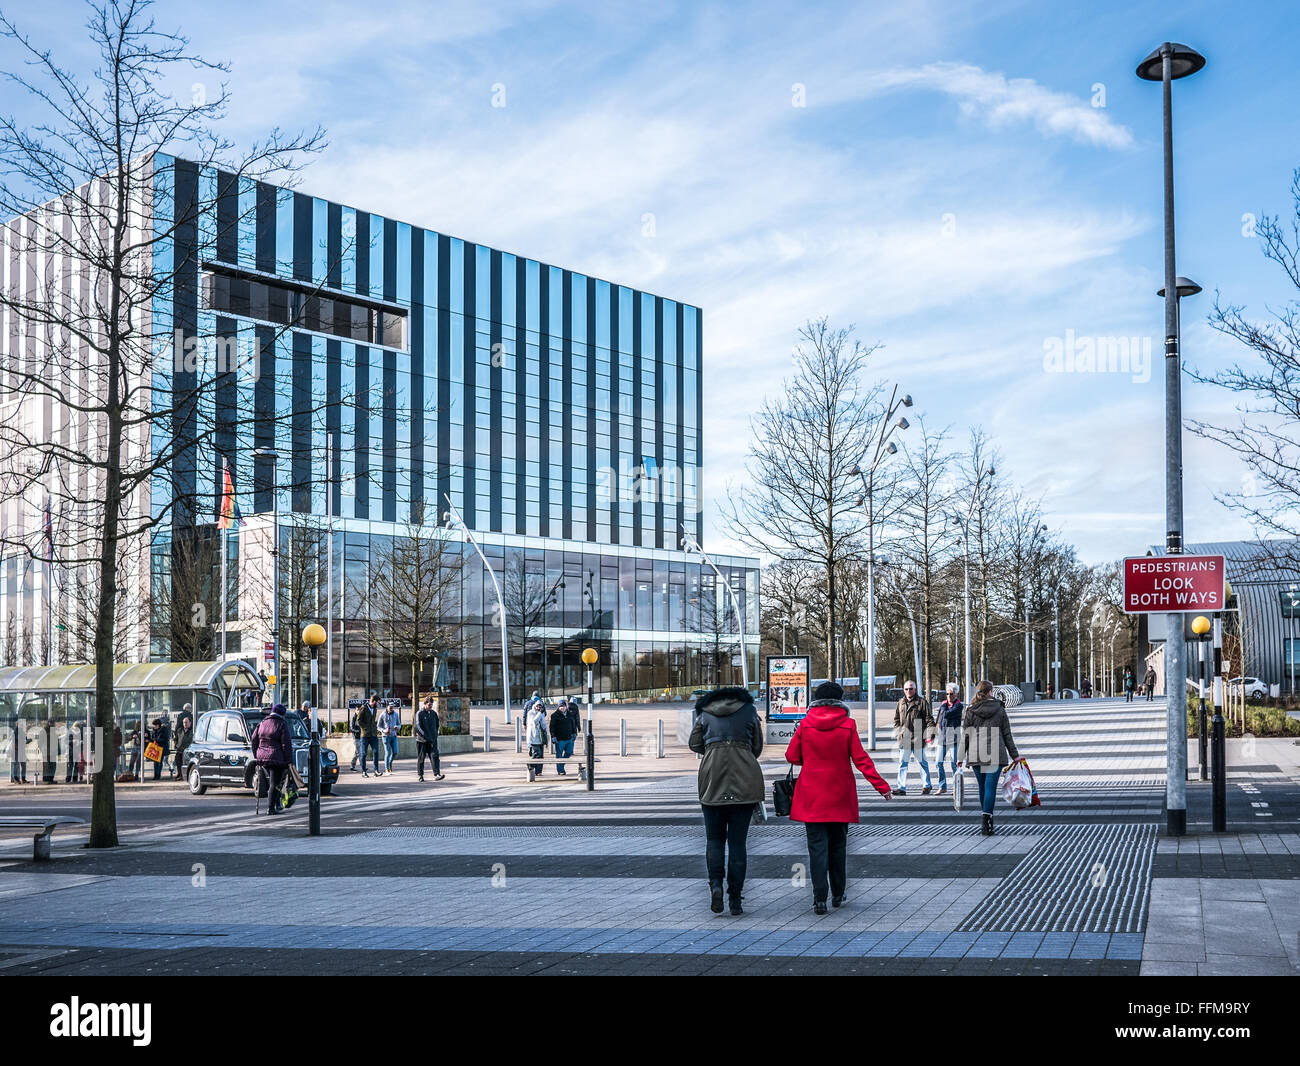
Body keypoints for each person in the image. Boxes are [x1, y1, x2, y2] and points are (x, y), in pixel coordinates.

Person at [785, 681, 891, 914]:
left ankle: (819, 898)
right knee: (838, 846)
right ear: (840, 701)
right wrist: (881, 786)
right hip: (839, 794)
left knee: (816, 848)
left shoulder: (805, 724)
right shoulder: (848, 724)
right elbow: (861, 759)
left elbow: (791, 756)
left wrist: (811, 760)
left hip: (811, 795)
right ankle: (838, 893)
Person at [688, 685, 764, 916]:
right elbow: (757, 746)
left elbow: (694, 744)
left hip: (712, 780)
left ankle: (715, 886)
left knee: (714, 840)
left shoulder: (705, 712)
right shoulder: (749, 710)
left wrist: (713, 749)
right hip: (745, 780)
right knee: (738, 843)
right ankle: (735, 898)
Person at [958, 680, 1020, 837]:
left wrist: (960, 756)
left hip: (976, 753)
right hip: (994, 753)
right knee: (990, 788)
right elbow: (1007, 735)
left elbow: (965, 735)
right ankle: (987, 821)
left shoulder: (971, 710)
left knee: (983, 788)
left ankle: (985, 818)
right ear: (991, 692)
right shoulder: (999, 709)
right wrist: (1015, 756)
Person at [892, 680, 935, 796]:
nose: (908, 691)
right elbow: (896, 719)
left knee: (922, 763)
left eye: (911, 689)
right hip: (904, 739)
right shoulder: (900, 702)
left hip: (918, 739)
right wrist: (898, 732)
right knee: (903, 764)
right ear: (903, 690)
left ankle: (927, 786)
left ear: (915, 690)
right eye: (906, 689)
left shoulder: (922, 702)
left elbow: (929, 719)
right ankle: (901, 788)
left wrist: (930, 734)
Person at [251, 703, 294, 815]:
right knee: (275, 783)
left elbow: (254, 739)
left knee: (272, 781)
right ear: (282, 714)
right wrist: (289, 761)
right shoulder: (281, 724)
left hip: (262, 756)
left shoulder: (262, 723)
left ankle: (276, 805)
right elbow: (286, 744)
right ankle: (271, 808)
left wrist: (257, 754)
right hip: (276, 757)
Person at [935, 683, 964, 796]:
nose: (948, 696)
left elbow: (946, 714)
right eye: (947, 694)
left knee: (954, 764)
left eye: (951, 694)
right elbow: (939, 718)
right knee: (938, 762)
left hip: (954, 738)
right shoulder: (944, 704)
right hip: (943, 737)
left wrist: (942, 709)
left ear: (956, 694)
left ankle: (956, 787)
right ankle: (942, 786)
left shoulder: (959, 706)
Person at [415, 697, 443, 781]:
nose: (431, 706)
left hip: (432, 740)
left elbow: (437, 725)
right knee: (421, 758)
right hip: (422, 740)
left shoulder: (434, 713)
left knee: (435, 756)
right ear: (425, 704)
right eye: (429, 705)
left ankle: (437, 774)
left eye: (432, 705)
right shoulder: (419, 713)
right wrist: (425, 736)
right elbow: (418, 727)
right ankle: (420, 776)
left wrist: (435, 734)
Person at [550, 697, 576, 775]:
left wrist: (574, 733)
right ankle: (560, 770)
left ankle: (561, 765)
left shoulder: (570, 714)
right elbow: (552, 727)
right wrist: (553, 736)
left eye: (563, 706)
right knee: (559, 755)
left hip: (569, 738)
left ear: (566, 706)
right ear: (558, 707)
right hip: (559, 739)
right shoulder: (554, 715)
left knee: (569, 752)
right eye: (560, 706)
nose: (562, 708)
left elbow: (573, 725)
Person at [524, 698, 549, 780]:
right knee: (536, 754)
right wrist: (540, 714)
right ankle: (531, 767)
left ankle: (539, 771)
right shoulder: (530, 713)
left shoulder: (541, 713)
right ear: (535, 706)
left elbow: (543, 725)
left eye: (540, 706)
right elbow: (534, 721)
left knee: (541, 756)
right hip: (533, 737)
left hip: (541, 737)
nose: (539, 707)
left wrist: (546, 736)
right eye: (537, 706)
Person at [358, 696, 382, 777]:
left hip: (373, 735)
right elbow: (359, 720)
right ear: (374, 701)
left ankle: (376, 771)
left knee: (376, 752)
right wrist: (365, 728)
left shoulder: (375, 709)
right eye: (378, 702)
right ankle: (364, 771)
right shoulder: (363, 708)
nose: (378, 704)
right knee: (363, 754)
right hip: (365, 735)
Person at [379, 700, 401, 773]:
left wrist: (397, 727)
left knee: (395, 752)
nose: (391, 708)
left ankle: (390, 762)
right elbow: (378, 726)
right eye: (390, 707)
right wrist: (384, 730)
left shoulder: (396, 714)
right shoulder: (382, 714)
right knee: (388, 753)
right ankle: (387, 768)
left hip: (394, 736)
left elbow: (399, 724)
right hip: (386, 737)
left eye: (392, 707)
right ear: (387, 706)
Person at [173, 712, 193, 779]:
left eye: (186, 722)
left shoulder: (192, 731)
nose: (185, 724)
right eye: (184, 722)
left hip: (187, 750)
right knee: (178, 762)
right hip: (179, 750)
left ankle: (185, 775)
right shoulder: (180, 730)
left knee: (186, 763)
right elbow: (176, 739)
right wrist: (176, 745)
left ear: (190, 723)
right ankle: (179, 774)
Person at [349, 706, 362, 770]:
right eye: (357, 710)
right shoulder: (354, 718)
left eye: (359, 710)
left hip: (362, 737)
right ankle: (353, 765)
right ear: (355, 710)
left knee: (359, 752)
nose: (358, 711)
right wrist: (358, 731)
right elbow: (351, 728)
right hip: (356, 737)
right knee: (358, 752)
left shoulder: (361, 717)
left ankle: (360, 765)